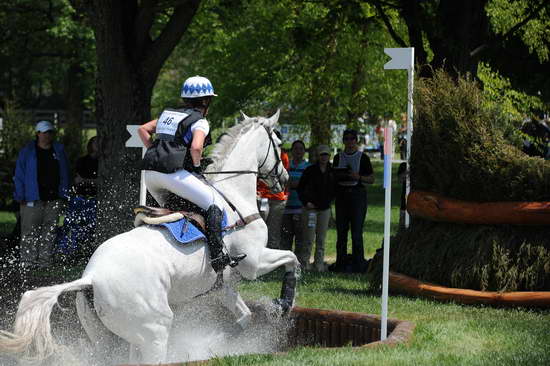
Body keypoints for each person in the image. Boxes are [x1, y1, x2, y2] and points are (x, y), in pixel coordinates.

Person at [138, 75, 245, 273]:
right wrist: (196, 167)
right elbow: (196, 148)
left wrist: (156, 150)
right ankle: (217, 257)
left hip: (150, 176)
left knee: (179, 206)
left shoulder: (168, 115)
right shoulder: (200, 121)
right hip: (172, 175)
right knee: (215, 203)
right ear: (206, 101)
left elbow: (143, 130)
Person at [13, 120, 70, 269]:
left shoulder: (59, 150)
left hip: (54, 198)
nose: (47, 135)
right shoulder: (27, 152)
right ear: (37, 134)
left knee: (50, 231)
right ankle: (28, 262)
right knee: (29, 232)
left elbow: (65, 173)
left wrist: (64, 194)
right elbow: (19, 175)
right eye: (44, 132)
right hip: (32, 198)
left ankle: (45, 262)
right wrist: (20, 195)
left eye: (50, 132)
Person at [330, 129, 374, 273]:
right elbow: (333, 176)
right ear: (343, 141)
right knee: (341, 233)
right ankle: (341, 264)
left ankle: (358, 265)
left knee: (356, 233)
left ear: (356, 141)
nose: (349, 142)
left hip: (357, 196)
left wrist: (358, 177)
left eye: (352, 139)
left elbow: (372, 179)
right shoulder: (338, 157)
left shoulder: (363, 157)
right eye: (346, 139)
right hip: (342, 196)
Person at [296, 144, 335, 271]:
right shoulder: (310, 170)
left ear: (329, 156)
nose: (324, 157)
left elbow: (334, 190)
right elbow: (300, 188)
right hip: (310, 209)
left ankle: (318, 265)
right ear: (317, 156)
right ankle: (304, 264)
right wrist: (306, 202)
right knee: (308, 238)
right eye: (321, 154)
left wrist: (329, 202)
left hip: (325, 209)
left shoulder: (332, 171)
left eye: (326, 154)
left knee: (321, 239)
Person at [256, 138, 289, 249]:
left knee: (274, 229)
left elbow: (285, 176)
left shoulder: (283, 156)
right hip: (263, 197)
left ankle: (273, 256)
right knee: (261, 226)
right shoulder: (261, 156)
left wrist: (285, 194)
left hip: (278, 198)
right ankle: (260, 251)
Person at [280, 140, 310, 258]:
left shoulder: (308, 167)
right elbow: (282, 183)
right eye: (296, 149)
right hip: (286, 207)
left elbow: (307, 185)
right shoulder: (286, 166)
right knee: (285, 237)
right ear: (292, 151)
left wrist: (294, 184)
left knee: (300, 238)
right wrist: (295, 184)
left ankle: (298, 263)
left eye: (301, 149)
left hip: (301, 208)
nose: (298, 151)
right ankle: (284, 261)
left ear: (304, 151)